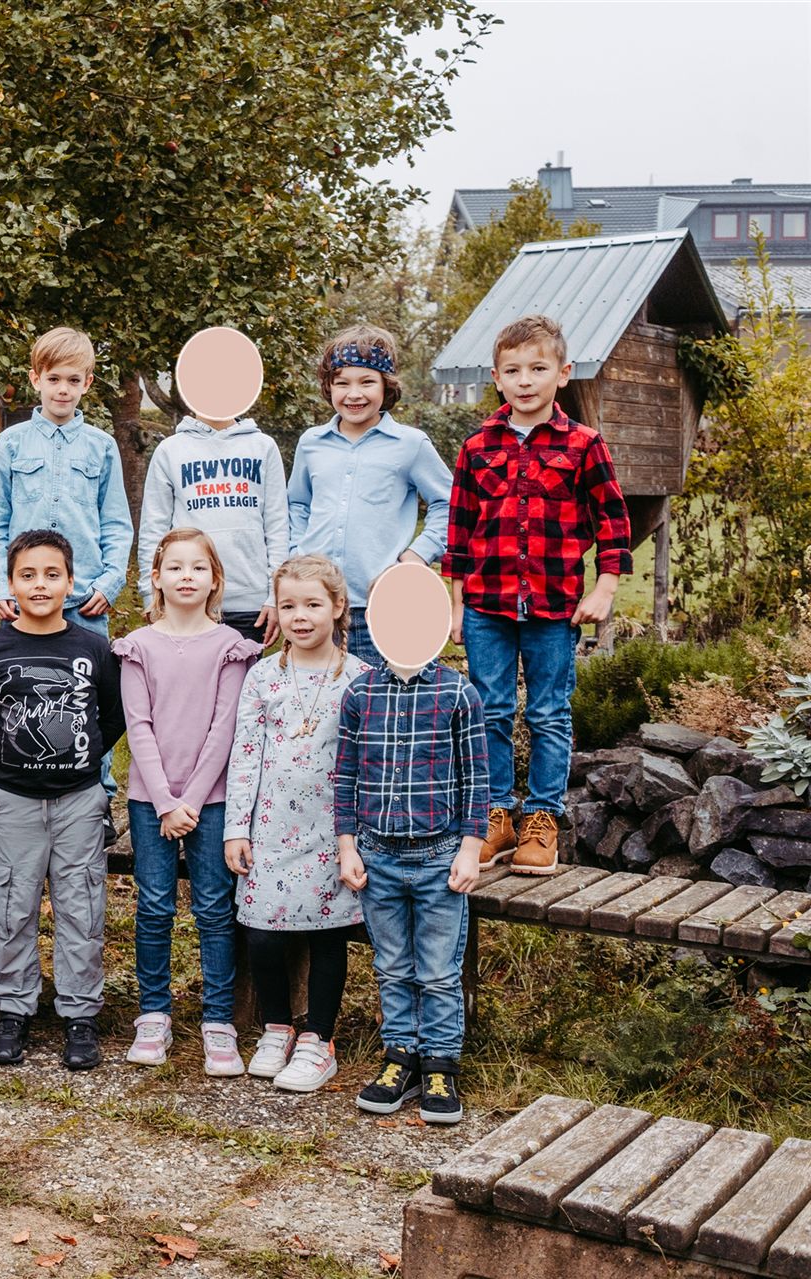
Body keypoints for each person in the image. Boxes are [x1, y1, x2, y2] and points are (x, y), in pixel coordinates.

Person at [444, 314, 631, 875]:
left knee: (549, 713)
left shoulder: (584, 444)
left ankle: (543, 819)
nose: (524, 381)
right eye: (512, 371)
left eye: (537, 369)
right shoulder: (477, 446)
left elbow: (613, 521)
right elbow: (459, 530)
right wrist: (456, 605)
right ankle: (497, 815)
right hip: (487, 605)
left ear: (563, 373)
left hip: (554, 606)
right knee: (491, 711)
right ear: (496, 378)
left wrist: (605, 587)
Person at [0, 530, 125, 1071]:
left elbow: (113, 716)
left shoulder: (93, 648)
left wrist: (86, 755)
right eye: (28, 575)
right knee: (12, 905)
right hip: (13, 800)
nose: (40, 585)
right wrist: (2, 749)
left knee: (81, 905)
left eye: (52, 575)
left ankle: (80, 1015)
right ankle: (14, 1008)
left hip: (79, 800)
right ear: (10, 583)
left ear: (70, 582)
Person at [112, 529, 261, 1074]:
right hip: (149, 801)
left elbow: (225, 729)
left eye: (198, 567)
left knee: (214, 908)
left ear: (215, 579)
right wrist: (165, 802)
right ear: (156, 578)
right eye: (175, 567)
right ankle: (154, 1014)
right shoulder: (137, 646)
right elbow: (139, 728)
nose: (186, 577)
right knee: (154, 906)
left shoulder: (230, 647)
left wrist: (191, 802)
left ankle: (218, 1021)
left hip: (212, 801)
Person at [334, 621, 489, 1125]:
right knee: (392, 966)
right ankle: (400, 1057)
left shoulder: (458, 694)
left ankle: (440, 1065)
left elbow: (477, 778)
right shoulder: (360, 694)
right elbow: (345, 776)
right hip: (377, 855)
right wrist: (347, 846)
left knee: (439, 972)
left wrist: (470, 849)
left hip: (439, 856)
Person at [224, 555, 367, 1093]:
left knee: (328, 933)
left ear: (337, 606)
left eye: (312, 604)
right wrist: (236, 827)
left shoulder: (360, 679)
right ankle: (277, 1027)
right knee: (262, 931)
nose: (300, 616)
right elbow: (245, 755)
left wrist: (359, 837)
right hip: (270, 825)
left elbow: (368, 763)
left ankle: (318, 1041)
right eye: (288, 606)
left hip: (333, 829)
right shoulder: (263, 676)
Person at [0, 327, 132, 834]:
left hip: (84, 601)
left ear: (87, 383)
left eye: (73, 380)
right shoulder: (11, 443)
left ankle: (97, 800)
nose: (62, 389)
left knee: (85, 699)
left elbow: (116, 523)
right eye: (53, 379)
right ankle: (12, 797)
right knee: (22, 697)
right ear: (35, 379)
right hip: (25, 600)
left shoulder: (102, 447)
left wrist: (109, 583)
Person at [287, 325, 453, 671]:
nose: (354, 394)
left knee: (384, 698)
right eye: (342, 383)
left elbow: (449, 503)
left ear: (386, 385)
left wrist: (416, 556)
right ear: (329, 386)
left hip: (382, 606)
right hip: (318, 606)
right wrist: (297, 554)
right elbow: (297, 504)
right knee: (320, 697)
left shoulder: (410, 444)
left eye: (366, 382)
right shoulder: (311, 443)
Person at [135, 374, 287, 647]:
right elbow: (153, 528)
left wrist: (276, 595)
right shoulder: (170, 450)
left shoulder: (263, 447)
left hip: (249, 605)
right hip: (187, 600)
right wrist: (150, 593)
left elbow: (277, 525)